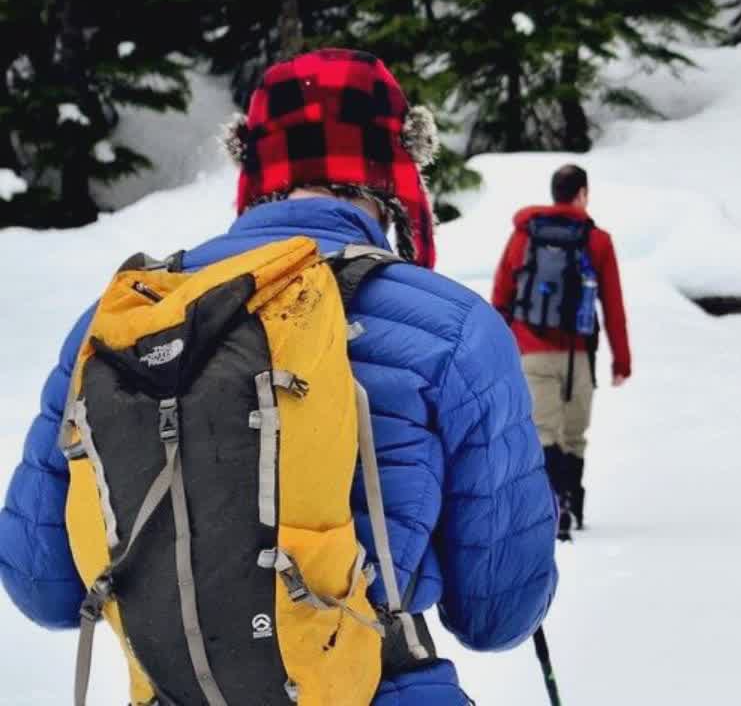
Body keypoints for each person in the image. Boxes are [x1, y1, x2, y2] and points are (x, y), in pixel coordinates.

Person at [0, 48, 558, 704]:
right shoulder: (455, 328)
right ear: (396, 175)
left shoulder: (121, 319)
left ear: (255, 171)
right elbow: (497, 616)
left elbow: (43, 587)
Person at [492, 164, 630, 541]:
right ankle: (571, 501)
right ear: (582, 193)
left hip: (531, 350)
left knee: (544, 431)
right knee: (574, 433)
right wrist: (622, 361)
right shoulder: (597, 240)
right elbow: (612, 305)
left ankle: (552, 506)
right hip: (577, 354)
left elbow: (502, 294)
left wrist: (505, 348)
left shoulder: (524, 235)